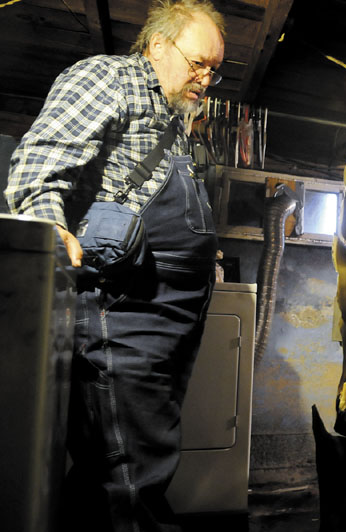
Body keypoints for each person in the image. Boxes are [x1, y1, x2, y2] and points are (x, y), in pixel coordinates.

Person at [4, 1, 225, 530]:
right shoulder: (108, 78)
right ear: (157, 45)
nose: (206, 78)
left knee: (137, 456)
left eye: (214, 69)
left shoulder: (176, 116)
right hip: (121, 311)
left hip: (168, 318)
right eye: (198, 63)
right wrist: (49, 227)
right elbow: (39, 162)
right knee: (127, 472)